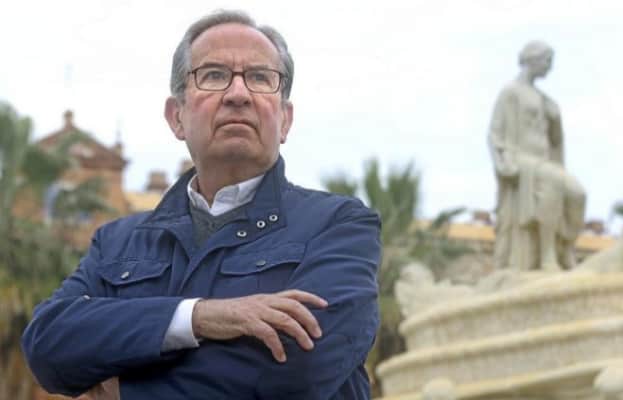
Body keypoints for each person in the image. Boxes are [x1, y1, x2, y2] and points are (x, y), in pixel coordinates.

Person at [22, 10, 381, 399]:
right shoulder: (117, 243)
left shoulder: (339, 226)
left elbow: (300, 371)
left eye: (260, 78)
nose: (238, 94)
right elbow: (47, 344)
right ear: (176, 116)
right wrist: (199, 316)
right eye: (213, 75)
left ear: (285, 119)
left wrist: (126, 389)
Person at [488, 40, 585, 271]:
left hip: (545, 162)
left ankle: (565, 247)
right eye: (547, 60)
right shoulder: (511, 92)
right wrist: (502, 162)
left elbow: (556, 140)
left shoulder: (545, 99)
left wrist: (555, 118)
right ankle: (547, 256)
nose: (550, 66)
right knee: (552, 184)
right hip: (521, 160)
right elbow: (494, 132)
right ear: (533, 59)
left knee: (578, 193)